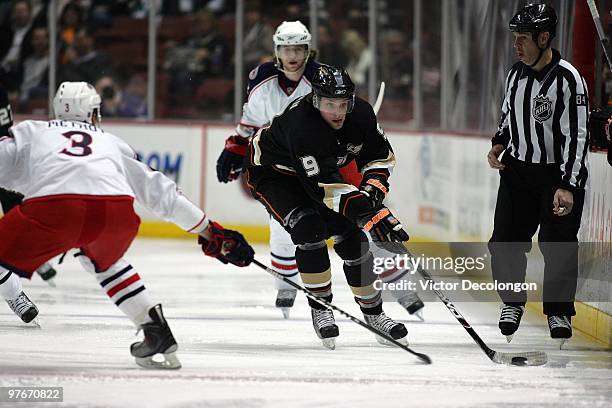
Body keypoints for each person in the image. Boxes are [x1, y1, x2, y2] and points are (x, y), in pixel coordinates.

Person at [0, 81, 255, 369]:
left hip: (58, 209)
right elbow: (160, 192)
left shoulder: (32, 131)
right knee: (105, 262)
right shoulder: (111, 142)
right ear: (93, 113)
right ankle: (155, 329)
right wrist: (210, 230)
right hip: (115, 213)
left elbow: (5, 170)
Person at [216, 20, 424, 319]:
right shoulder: (262, 79)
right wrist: (236, 143)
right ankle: (287, 286)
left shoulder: (321, 77)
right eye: (286, 48)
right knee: (291, 224)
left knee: (365, 217)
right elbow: (251, 117)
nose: (293, 55)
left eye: (298, 48)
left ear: (308, 50)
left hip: (326, 157)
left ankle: (399, 285)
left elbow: (347, 113)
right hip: (286, 162)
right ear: (276, 51)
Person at [243, 64, 409, 349]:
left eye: (343, 103)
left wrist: (372, 194)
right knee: (310, 230)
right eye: (330, 104)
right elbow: (324, 187)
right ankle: (321, 308)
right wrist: (371, 214)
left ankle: (375, 314)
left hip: (321, 173)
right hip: (274, 173)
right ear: (316, 100)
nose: (338, 112)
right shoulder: (302, 125)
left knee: (353, 240)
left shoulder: (362, 115)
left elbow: (380, 158)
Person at [486, 4, 589, 347]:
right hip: (518, 172)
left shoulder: (568, 79)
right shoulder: (515, 73)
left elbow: (578, 136)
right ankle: (512, 302)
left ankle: (558, 310)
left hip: (557, 177)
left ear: (544, 38)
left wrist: (568, 185)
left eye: (523, 39)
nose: (517, 45)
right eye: (515, 38)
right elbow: (507, 116)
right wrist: (499, 143)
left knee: (558, 244)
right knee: (504, 242)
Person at [0, 83, 57, 284]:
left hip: (4, 154)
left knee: (12, 202)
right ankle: (35, 255)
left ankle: (33, 255)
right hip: (6, 154)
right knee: (12, 201)